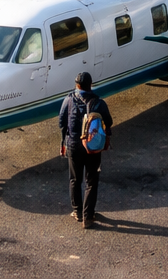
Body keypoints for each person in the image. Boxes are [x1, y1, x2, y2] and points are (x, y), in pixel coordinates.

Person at [57, 71, 112, 228]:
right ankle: (89, 216)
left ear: (77, 85)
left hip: (73, 146)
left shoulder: (68, 100)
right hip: (92, 147)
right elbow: (109, 122)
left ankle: (77, 212)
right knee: (91, 181)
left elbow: (62, 123)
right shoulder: (99, 103)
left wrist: (63, 143)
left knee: (75, 179)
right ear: (90, 85)